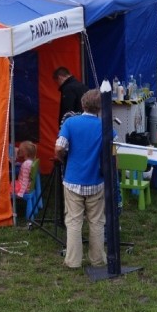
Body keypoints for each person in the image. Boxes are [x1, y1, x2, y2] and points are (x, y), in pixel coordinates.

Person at [55, 89, 106, 269]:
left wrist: (63, 159)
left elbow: (59, 147)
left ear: (83, 104)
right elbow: (113, 153)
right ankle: (98, 259)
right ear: (100, 108)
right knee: (97, 222)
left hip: (73, 180)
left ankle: (73, 261)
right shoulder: (105, 126)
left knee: (74, 221)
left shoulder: (70, 123)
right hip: (96, 180)